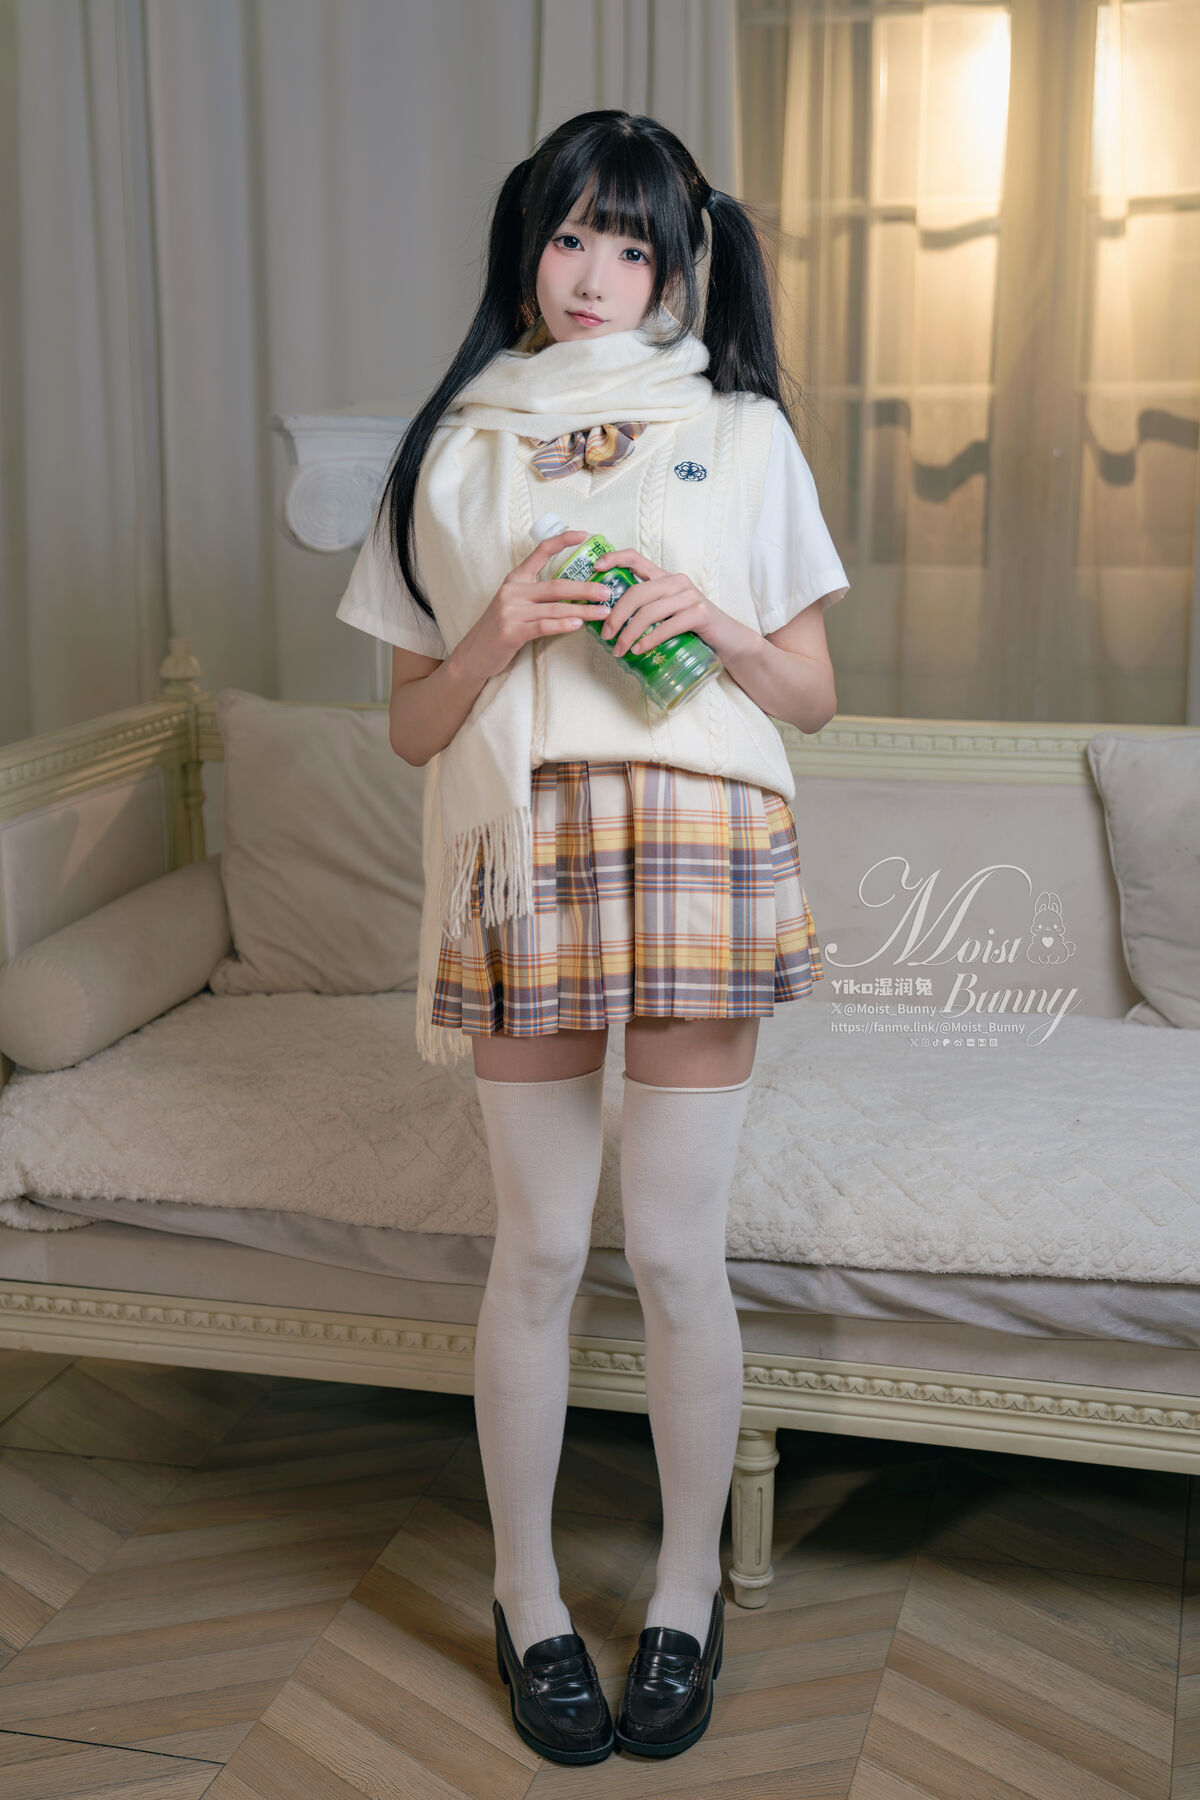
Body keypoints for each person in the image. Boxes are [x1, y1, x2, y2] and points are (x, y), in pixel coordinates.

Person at [335, 108, 849, 1767]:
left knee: (679, 1255)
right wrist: (496, 631)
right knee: (545, 1248)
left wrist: (716, 623)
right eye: (571, 236)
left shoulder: (742, 433)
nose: (596, 274)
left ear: (678, 265)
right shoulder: (449, 452)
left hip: (700, 841)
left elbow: (812, 696)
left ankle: (686, 1595)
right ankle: (528, 1597)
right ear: (526, 247)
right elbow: (413, 729)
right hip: (523, 848)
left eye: (633, 245)